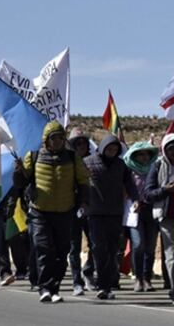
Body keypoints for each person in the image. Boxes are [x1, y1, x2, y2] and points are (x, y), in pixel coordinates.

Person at [13, 121, 91, 303]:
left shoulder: (73, 158)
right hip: (40, 212)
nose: (57, 141)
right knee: (44, 249)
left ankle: (55, 288)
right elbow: (20, 183)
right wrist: (18, 172)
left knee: (62, 252)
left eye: (60, 138)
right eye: (53, 138)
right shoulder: (33, 156)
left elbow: (83, 181)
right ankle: (44, 288)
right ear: (46, 140)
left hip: (66, 212)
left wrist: (84, 202)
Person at [83, 134, 138, 300]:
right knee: (99, 248)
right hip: (95, 213)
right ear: (102, 148)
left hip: (115, 212)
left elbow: (130, 184)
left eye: (115, 149)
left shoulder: (121, 165)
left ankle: (106, 285)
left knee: (112, 249)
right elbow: (79, 183)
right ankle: (102, 284)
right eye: (109, 148)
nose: (112, 151)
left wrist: (135, 199)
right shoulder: (88, 162)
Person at [146, 133, 174, 305]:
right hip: (168, 217)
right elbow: (149, 194)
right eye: (170, 150)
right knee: (172, 254)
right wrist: (166, 190)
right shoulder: (157, 167)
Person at [123, 141, 159, 292]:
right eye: (140, 154)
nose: (144, 157)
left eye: (146, 154)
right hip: (134, 211)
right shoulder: (128, 171)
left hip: (151, 210)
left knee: (150, 247)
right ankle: (138, 278)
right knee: (138, 245)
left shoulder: (154, 169)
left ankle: (147, 278)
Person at [66, 128, 96, 295]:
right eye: (78, 142)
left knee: (95, 243)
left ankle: (89, 271)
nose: (82, 145)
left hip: (91, 209)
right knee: (74, 247)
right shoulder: (66, 162)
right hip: (72, 209)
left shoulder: (93, 161)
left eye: (84, 142)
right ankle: (76, 281)